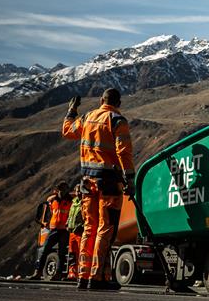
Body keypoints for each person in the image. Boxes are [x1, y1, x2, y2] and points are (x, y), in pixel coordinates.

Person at [61, 89, 134, 290]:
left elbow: (68, 131)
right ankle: (98, 276)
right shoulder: (118, 121)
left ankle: (83, 276)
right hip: (109, 183)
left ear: (102, 100)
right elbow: (123, 152)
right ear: (118, 103)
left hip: (87, 182)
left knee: (89, 228)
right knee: (105, 229)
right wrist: (130, 179)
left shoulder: (87, 117)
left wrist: (71, 111)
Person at [28, 182, 72, 280]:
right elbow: (52, 212)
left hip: (64, 231)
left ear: (67, 189)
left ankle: (58, 274)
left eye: (64, 188)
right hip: (53, 229)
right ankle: (38, 273)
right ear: (57, 190)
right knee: (45, 251)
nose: (62, 190)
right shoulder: (52, 200)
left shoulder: (70, 201)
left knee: (61, 253)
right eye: (60, 188)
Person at [65, 183, 86, 281]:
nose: (78, 193)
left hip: (80, 232)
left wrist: (81, 226)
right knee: (72, 254)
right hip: (72, 232)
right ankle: (72, 274)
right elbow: (70, 215)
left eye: (80, 191)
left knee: (81, 254)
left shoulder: (85, 202)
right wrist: (67, 223)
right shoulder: (74, 202)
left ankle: (80, 274)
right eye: (77, 191)